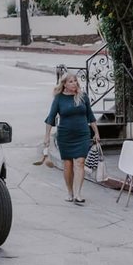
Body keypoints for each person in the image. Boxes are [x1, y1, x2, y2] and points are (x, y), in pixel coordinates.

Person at [43, 73, 100, 205]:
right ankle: (70, 192)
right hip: (65, 136)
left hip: (82, 135)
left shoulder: (83, 96)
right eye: (70, 81)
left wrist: (96, 132)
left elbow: (90, 116)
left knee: (80, 162)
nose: (74, 83)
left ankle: (78, 194)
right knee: (68, 165)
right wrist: (46, 136)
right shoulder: (59, 99)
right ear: (64, 84)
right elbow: (50, 118)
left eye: (75, 81)